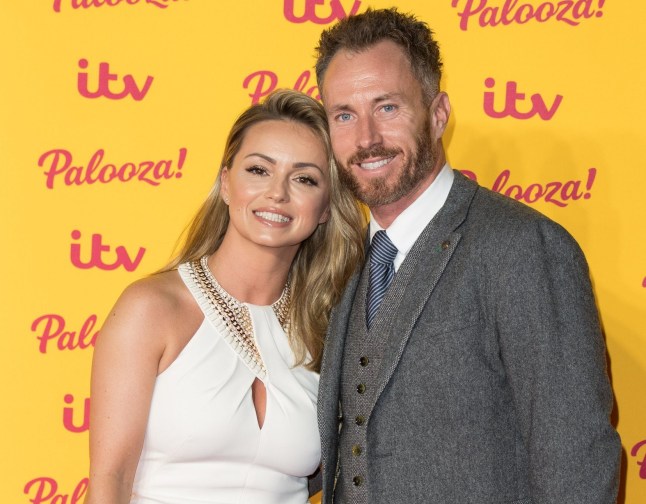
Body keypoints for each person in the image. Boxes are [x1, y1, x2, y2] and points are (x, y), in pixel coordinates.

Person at [314, 8, 621, 504]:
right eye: (344, 114)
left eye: (387, 107)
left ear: (438, 114)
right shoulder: (342, 262)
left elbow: (576, 461)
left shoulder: (523, 248)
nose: (366, 137)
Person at [84, 89, 366, 504]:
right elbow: (110, 481)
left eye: (304, 178)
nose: (278, 193)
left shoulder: (330, 329)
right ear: (226, 183)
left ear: (326, 207)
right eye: (258, 170)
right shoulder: (153, 309)